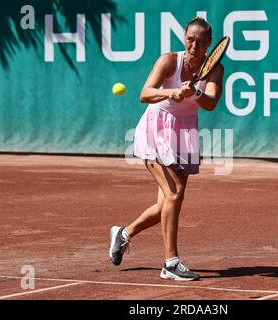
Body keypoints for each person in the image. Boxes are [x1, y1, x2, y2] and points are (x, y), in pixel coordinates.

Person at [109, 17, 224, 281]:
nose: (194, 45)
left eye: (201, 41)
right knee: (175, 194)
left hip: (184, 131)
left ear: (209, 44)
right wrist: (170, 93)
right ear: (184, 39)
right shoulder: (169, 61)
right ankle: (170, 263)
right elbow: (145, 93)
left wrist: (194, 92)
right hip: (155, 127)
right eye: (190, 39)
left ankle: (123, 234)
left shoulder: (215, 69)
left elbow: (211, 103)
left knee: (166, 204)